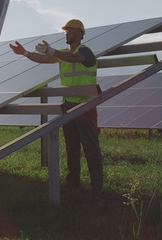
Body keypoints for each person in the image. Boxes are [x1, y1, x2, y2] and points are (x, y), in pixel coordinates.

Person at [9, 19, 103, 198]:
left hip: (86, 105)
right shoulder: (62, 54)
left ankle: (97, 188)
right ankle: (73, 184)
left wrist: (53, 51)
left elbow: (76, 58)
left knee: (90, 147)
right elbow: (44, 59)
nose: (66, 33)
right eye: (65, 31)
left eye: (70, 30)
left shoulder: (85, 51)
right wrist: (25, 53)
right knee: (72, 147)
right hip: (68, 104)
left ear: (80, 34)